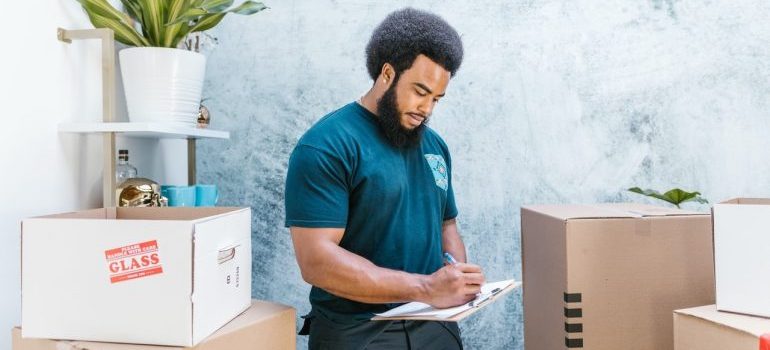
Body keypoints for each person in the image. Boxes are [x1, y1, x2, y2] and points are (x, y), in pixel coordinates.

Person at [284, 7, 484, 350]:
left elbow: (446, 225)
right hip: (358, 332)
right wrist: (425, 287)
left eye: (436, 99)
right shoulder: (327, 145)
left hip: (435, 326)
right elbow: (316, 260)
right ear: (387, 73)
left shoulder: (436, 147)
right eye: (420, 92)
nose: (427, 109)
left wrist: (457, 274)